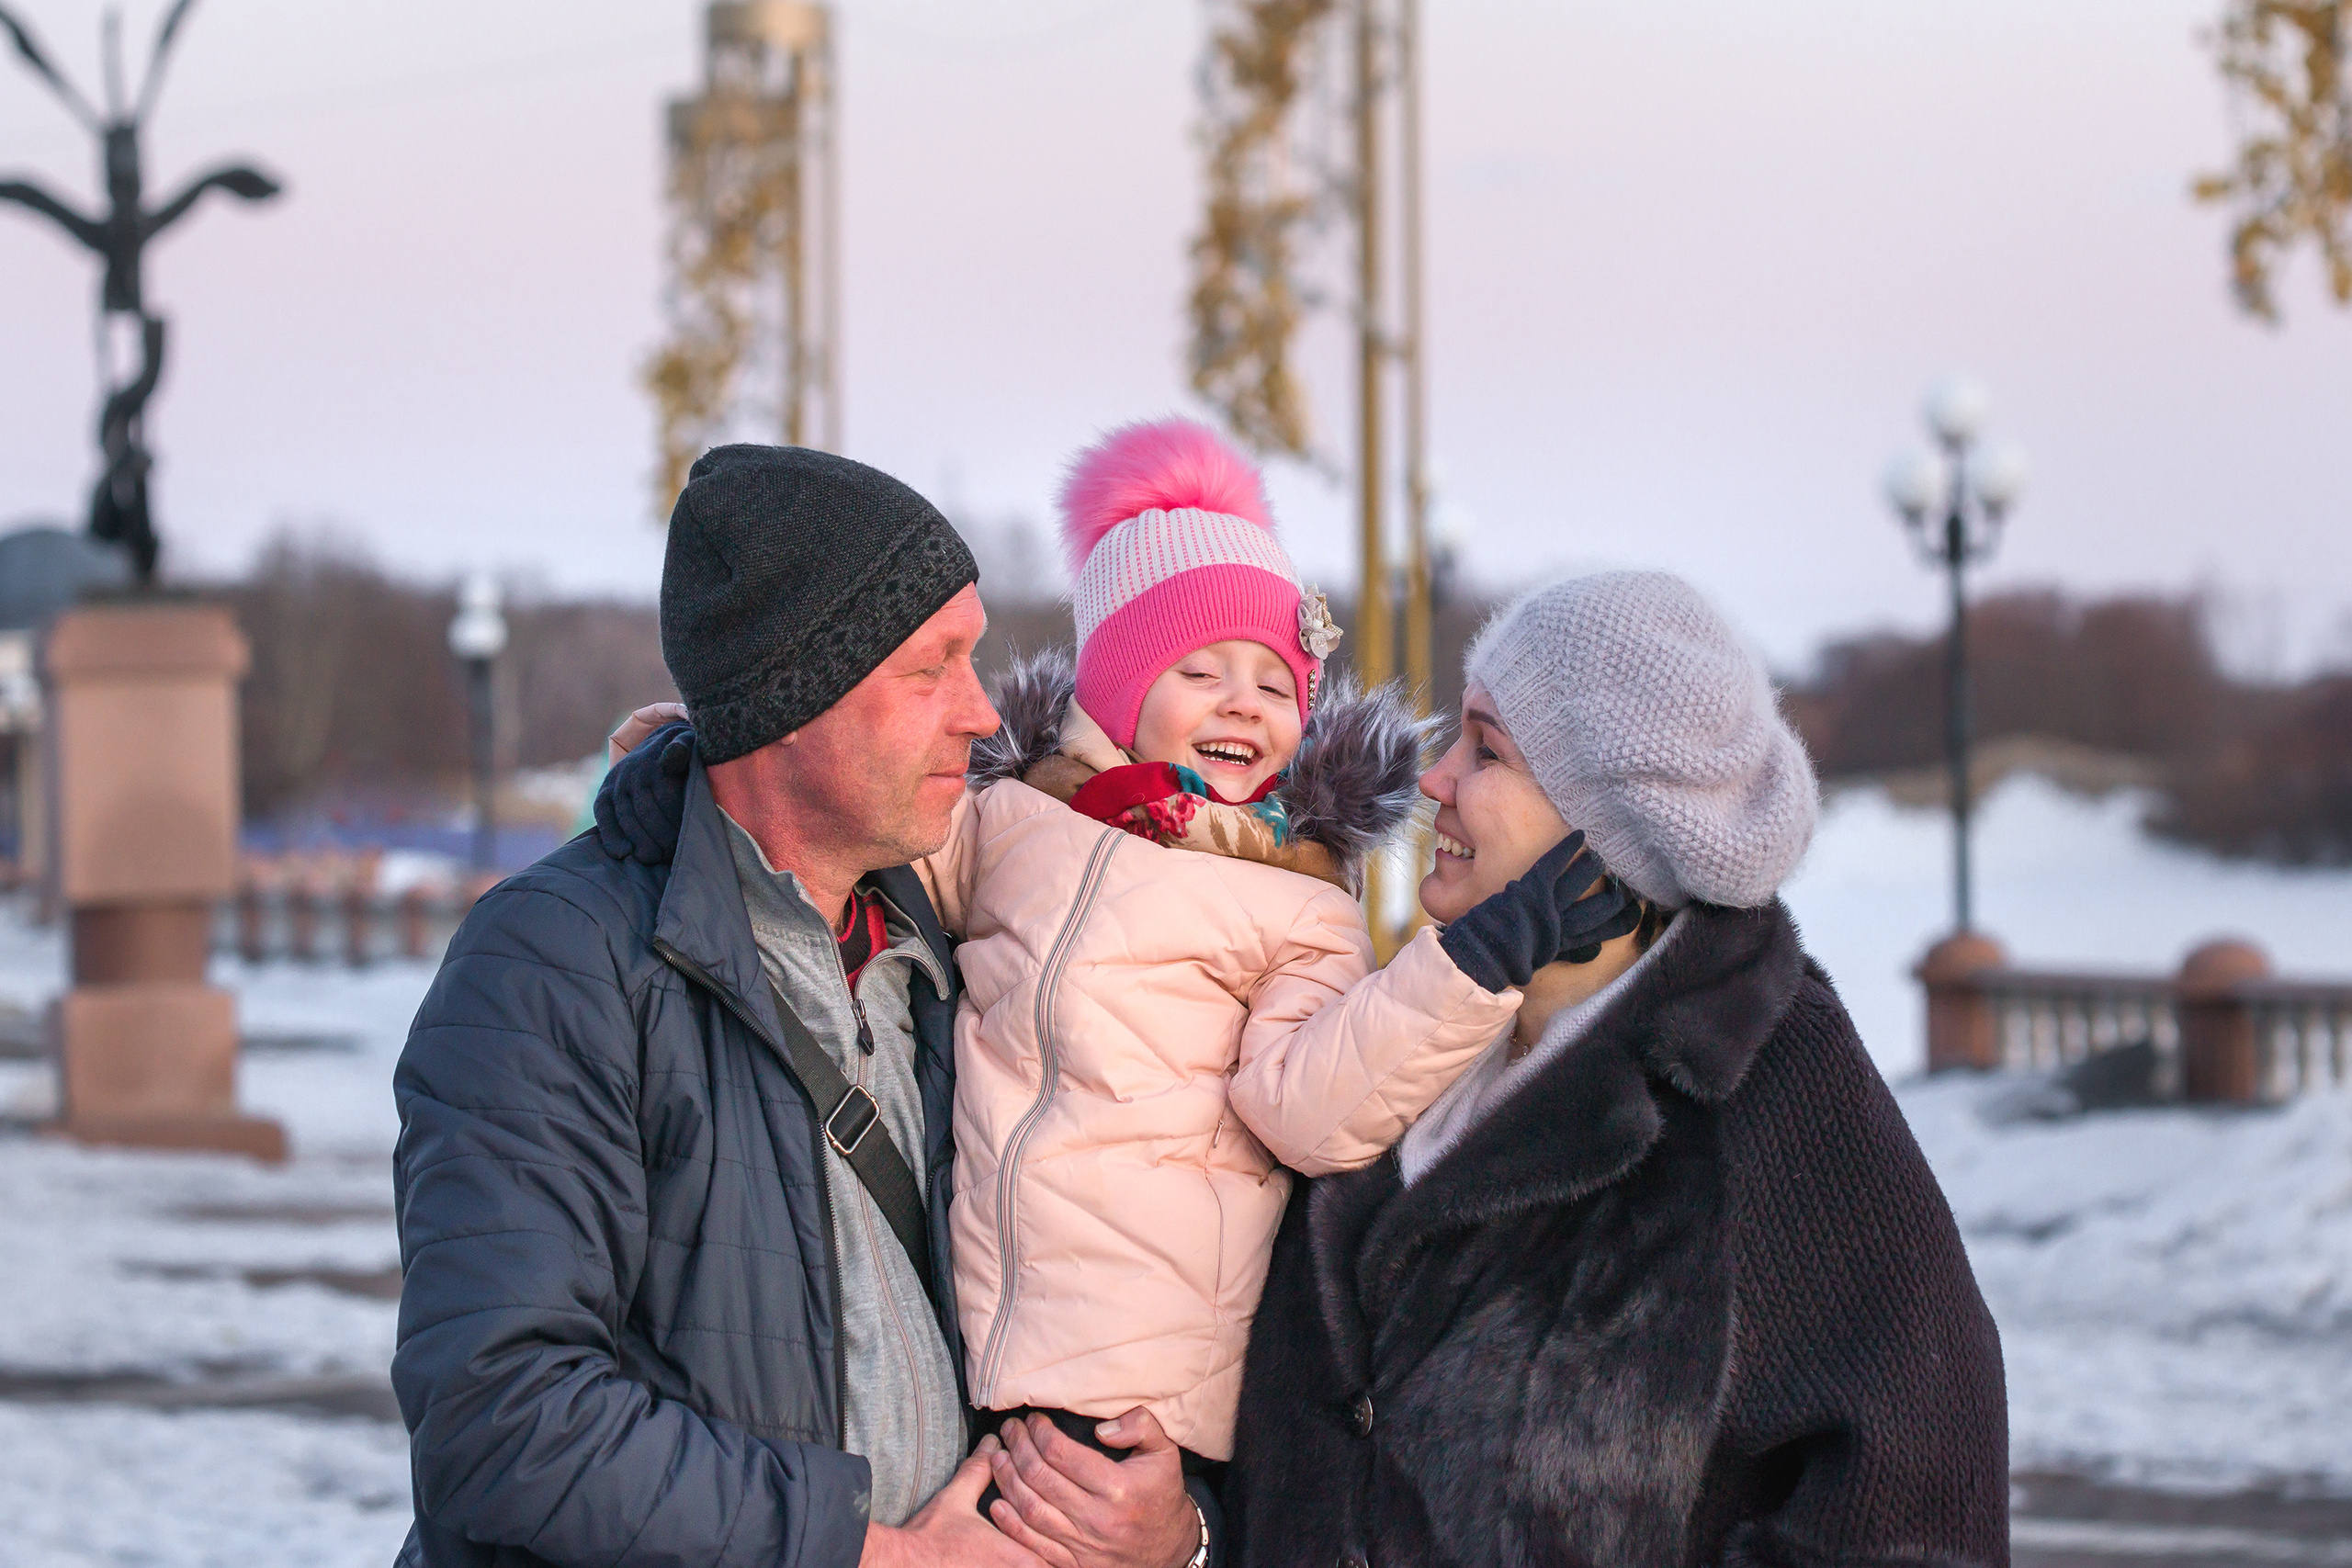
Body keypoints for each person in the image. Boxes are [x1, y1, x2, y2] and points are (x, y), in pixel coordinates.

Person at [598, 421, 1645, 1566]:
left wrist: (1475, 963)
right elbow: (847, 836)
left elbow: (1310, 1106)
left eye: (1274, 683)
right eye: (1199, 673)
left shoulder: (1297, 902)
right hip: (967, 1358)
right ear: (1114, 687)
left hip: (1135, 1384)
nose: (1243, 705)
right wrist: (713, 754)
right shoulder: (1010, 823)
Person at [391, 445, 1196, 1568]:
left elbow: (1155, 1279)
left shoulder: (981, 946)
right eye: (931, 670)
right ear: (792, 699)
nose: (978, 711)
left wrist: (1179, 1523)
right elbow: (501, 1420)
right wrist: (877, 1556)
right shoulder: (551, 964)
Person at [1223, 571, 2010, 1568]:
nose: (1435, 779)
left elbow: (1918, 1512)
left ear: (1605, 831)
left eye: (1486, 750)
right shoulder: (1395, 1037)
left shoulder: (1758, 1078)